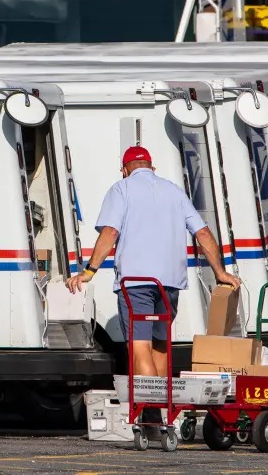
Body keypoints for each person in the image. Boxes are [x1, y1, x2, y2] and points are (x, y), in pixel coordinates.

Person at [65, 146, 241, 407]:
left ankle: (152, 412)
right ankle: (167, 412)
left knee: (139, 348)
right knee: (161, 346)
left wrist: (89, 270)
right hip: (170, 283)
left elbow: (110, 232)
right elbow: (203, 233)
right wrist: (220, 271)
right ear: (152, 167)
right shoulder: (174, 191)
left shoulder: (121, 189)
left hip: (135, 283)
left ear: (124, 170)